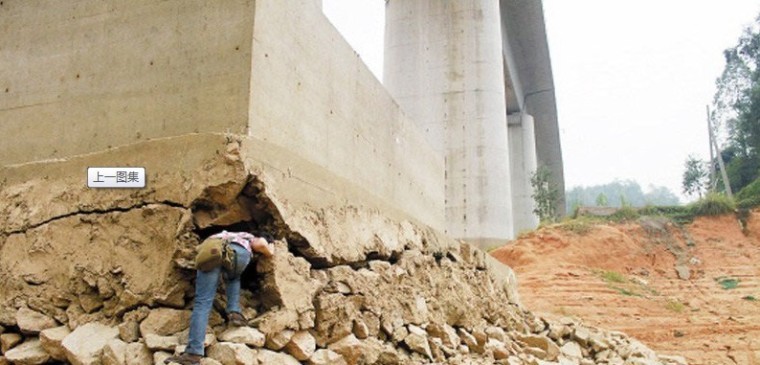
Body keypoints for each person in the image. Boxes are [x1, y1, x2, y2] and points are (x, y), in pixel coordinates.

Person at [165, 231, 275, 365]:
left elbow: (261, 243)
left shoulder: (243, 235)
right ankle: (234, 312)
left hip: (214, 251)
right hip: (240, 257)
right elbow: (263, 245)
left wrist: (267, 245)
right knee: (233, 278)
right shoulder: (244, 239)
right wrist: (271, 248)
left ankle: (193, 353)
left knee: (203, 302)